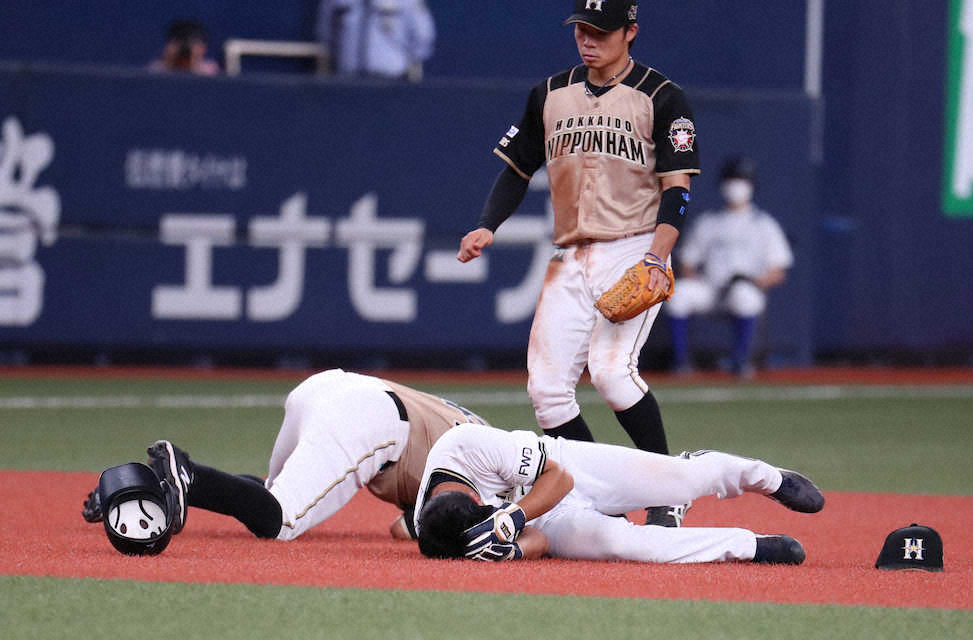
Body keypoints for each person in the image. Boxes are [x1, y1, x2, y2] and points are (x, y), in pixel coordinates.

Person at [456, 0, 699, 527]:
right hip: (571, 252)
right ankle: (594, 498)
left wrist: (659, 253)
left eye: (602, 31)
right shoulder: (549, 94)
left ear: (630, 32)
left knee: (612, 375)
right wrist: (487, 225)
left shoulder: (661, 96)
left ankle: (668, 489)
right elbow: (517, 170)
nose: (589, 39)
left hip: (635, 245)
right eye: (582, 30)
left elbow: (677, 189)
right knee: (546, 391)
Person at [82, 369, 488, 542]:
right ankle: (188, 474)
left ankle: (143, 487)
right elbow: (412, 529)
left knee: (271, 496)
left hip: (327, 387)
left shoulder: (490, 439)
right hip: (375, 420)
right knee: (280, 522)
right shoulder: (503, 482)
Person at [415, 424, 824, 564]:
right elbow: (537, 539)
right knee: (622, 543)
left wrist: (510, 518)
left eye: (488, 512)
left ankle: (766, 477)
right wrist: (513, 550)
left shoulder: (466, 445)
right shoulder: (444, 533)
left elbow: (559, 481)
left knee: (682, 479)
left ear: (474, 500)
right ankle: (746, 546)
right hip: (545, 518)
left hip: (567, 467)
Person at [664, 156, 794, 378]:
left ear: (751, 185)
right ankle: (681, 363)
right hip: (711, 289)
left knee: (744, 295)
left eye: (742, 180)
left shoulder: (763, 224)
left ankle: (740, 362)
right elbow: (687, 262)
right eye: (732, 180)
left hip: (745, 289)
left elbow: (779, 270)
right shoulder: (710, 222)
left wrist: (755, 281)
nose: (736, 186)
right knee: (679, 294)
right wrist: (695, 277)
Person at [315, 0, 436, 80]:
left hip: (391, 78)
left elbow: (423, 37)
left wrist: (402, 60)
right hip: (348, 77)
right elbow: (326, 31)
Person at [148, 19, 221, 76]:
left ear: (203, 48)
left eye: (194, 42)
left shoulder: (210, 73)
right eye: (177, 41)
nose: (185, 49)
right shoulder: (156, 72)